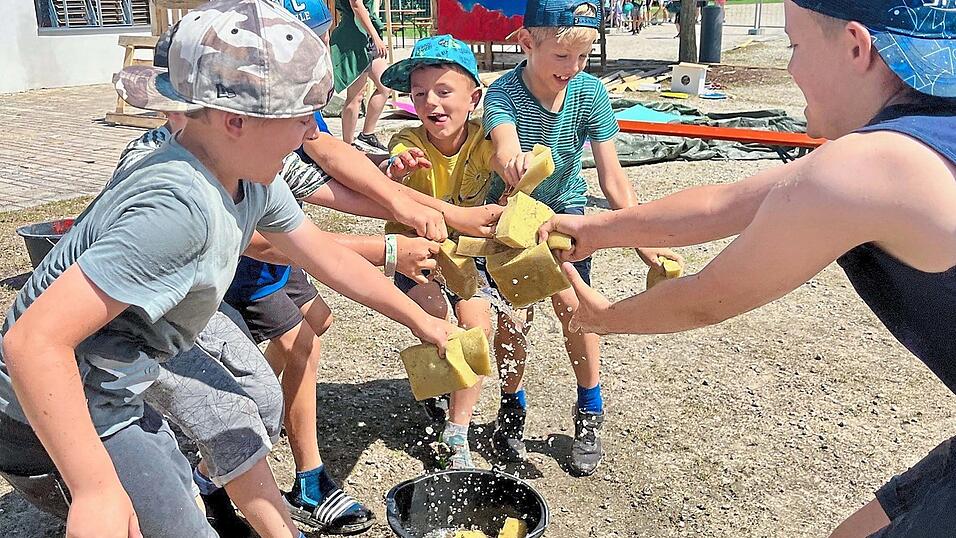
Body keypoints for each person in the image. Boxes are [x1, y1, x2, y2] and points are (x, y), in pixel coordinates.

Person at [0, 2, 457, 537]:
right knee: (177, 527)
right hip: (67, 399)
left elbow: (322, 255)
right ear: (237, 121)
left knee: (245, 412)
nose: (306, 137)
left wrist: (419, 321)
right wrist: (95, 487)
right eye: (298, 122)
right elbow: (33, 343)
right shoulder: (175, 208)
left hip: (139, 347)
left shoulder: (251, 174)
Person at [539, 1, 956, 536]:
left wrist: (604, 317)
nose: (789, 69)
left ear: (856, 46)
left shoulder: (870, 168)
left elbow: (708, 295)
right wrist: (597, 231)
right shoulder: (911, 136)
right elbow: (725, 203)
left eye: (796, 46)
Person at [483, 0, 683, 476]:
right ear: (527, 43)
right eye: (561, 58)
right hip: (512, 210)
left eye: (583, 58)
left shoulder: (590, 93)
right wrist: (513, 162)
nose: (573, 69)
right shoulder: (503, 94)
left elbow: (613, 178)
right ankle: (512, 409)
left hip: (569, 211)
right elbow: (505, 144)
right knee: (513, 314)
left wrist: (641, 237)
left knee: (575, 307)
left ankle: (589, 408)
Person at [379, 35, 497, 470]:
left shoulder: (486, 142)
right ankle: (439, 391)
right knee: (435, 322)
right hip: (418, 256)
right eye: (419, 93)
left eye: (444, 91)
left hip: (468, 258)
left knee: (477, 329)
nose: (432, 103)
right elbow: (392, 168)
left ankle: (458, 429)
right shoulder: (407, 139)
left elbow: (510, 168)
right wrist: (399, 166)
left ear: (474, 98)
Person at [330, 0, 391, 151]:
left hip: (367, 36)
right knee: (356, 96)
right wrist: (375, 36)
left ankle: (367, 135)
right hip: (354, 38)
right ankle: (348, 145)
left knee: (385, 86)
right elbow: (356, 5)